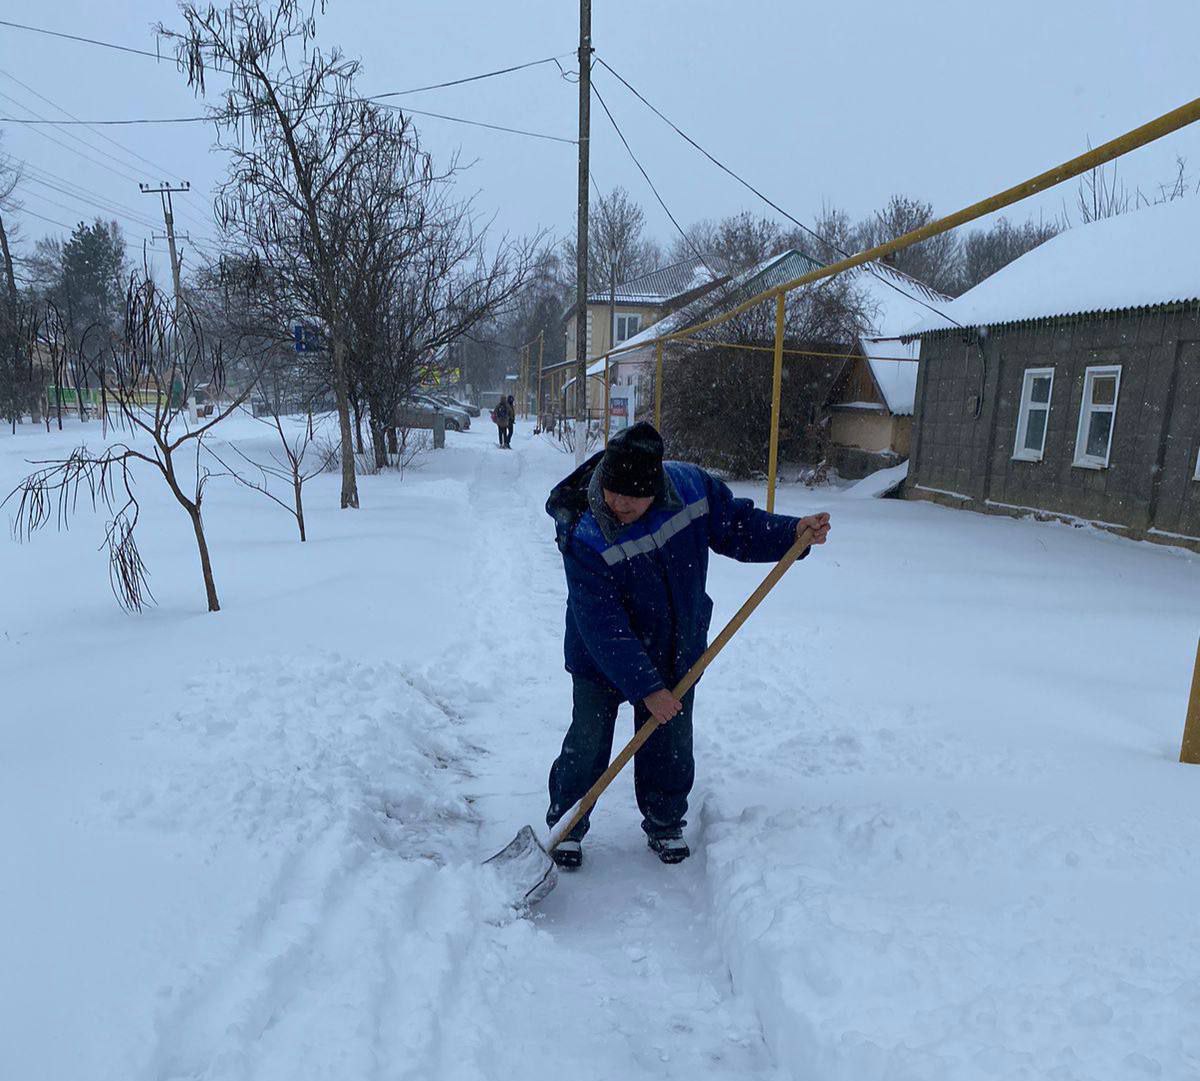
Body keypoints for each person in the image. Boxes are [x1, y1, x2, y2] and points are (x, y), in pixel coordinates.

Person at [543, 421, 830, 869]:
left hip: (675, 644)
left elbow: (738, 525)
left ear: (654, 488)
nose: (618, 504)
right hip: (602, 654)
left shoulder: (691, 489)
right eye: (612, 494)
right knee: (589, 737)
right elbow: (602, 624)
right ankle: (568, 823)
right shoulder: (586, 531)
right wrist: (646, 688)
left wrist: (792, 532)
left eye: (630, 498)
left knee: (671, 739)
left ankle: (664, 820)